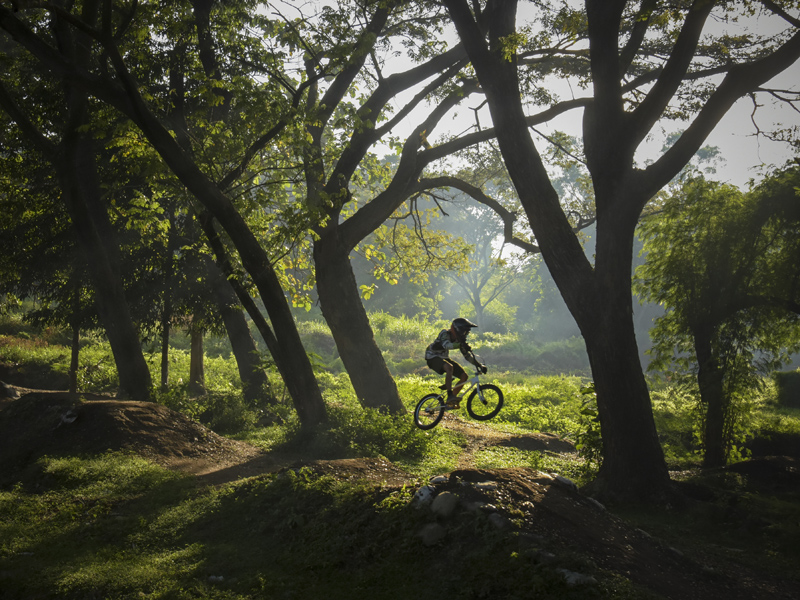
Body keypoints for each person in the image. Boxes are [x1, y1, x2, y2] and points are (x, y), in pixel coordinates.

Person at [425, 317, 486, 408]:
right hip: (432, 356)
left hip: (444, 357)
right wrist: (460, 344)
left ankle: (450, 401)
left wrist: (479, 365)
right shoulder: (444, 333)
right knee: (449, 367)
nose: (465, 334)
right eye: (464, 331)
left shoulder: (459, 341)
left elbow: (467, 356)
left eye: (466, 332)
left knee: (464, 376)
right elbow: (446, 345)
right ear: (457, 329)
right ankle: (450, 395)